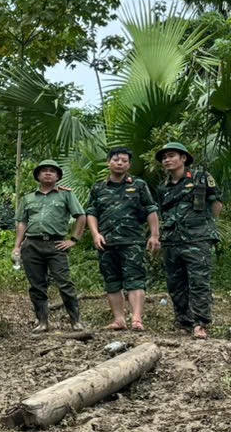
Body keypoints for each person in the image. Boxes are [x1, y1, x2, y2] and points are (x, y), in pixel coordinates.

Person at [85, 147, 160, 331]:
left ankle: (136, 319)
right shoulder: (98, 188)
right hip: (106, 242)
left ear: (129, 164)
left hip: (132, 241)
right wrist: (95, 234)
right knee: (112, 282)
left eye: (124, 161)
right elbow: (91, 213)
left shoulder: (139, 185)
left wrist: (154, 235)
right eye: (116, 159)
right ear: (108, 162)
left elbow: (151, 209)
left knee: (135, 280)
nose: (120, 163)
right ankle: (119, 320)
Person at [155, 141, 223, 338]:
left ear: (183, 158)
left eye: (171, 155)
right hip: (171, 240)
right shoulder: (163, 188)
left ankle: (200, 323)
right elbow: (162, 213)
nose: (167, 160)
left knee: (199, 281)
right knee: (175, 284)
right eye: (164, 157)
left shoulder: (201, 178)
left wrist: (205, 226)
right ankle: (184, 322)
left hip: (197, 239)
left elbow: (216, 204)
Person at [12, 160, 87, 333]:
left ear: (58, 176)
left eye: (52, 171)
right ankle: (42, 322)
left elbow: (81, 216)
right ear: (38, 176)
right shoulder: (28, 198)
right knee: (37, 285)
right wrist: (17, 246)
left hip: (56, 244)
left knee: (64, 283)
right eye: (44, 171)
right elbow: (22, 222)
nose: (48, 173)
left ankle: (75, 321)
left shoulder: (66, 195)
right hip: (32, 245)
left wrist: (73, 239)